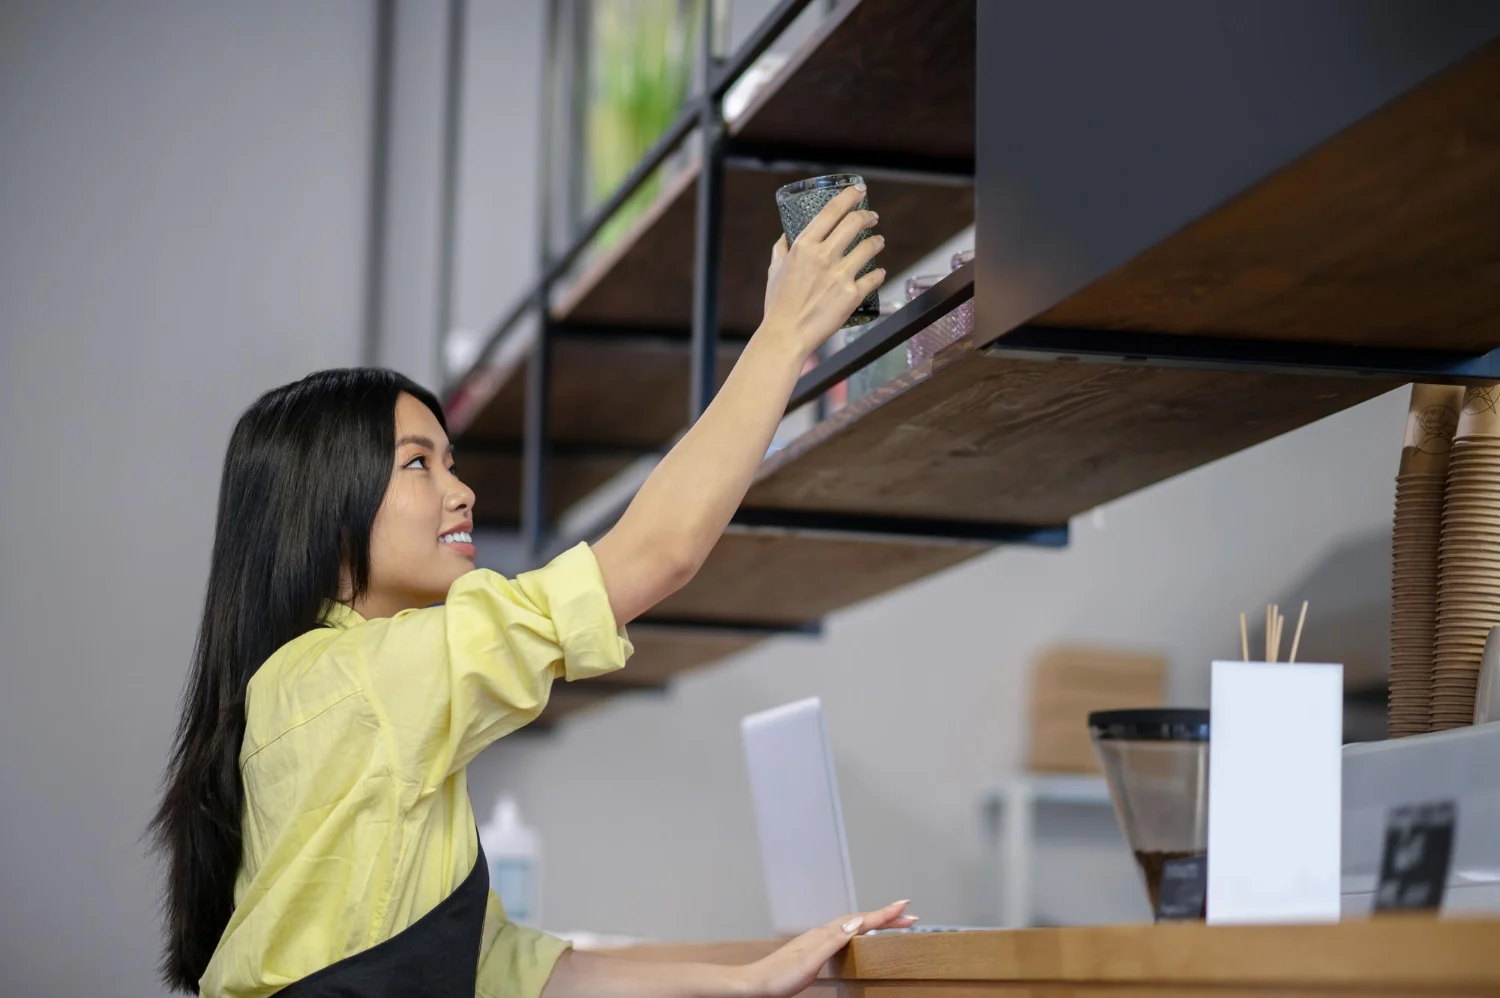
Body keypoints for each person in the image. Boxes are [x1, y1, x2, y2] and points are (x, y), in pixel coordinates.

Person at [151, 184, 914, 997]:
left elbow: (526, 975)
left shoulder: (344, 703)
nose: (461, 491)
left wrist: (754, 980)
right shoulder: (365, 682)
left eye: (451, 460)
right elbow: (657, 553)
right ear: (326, 519)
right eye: (418, 463)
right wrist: (785, 335)